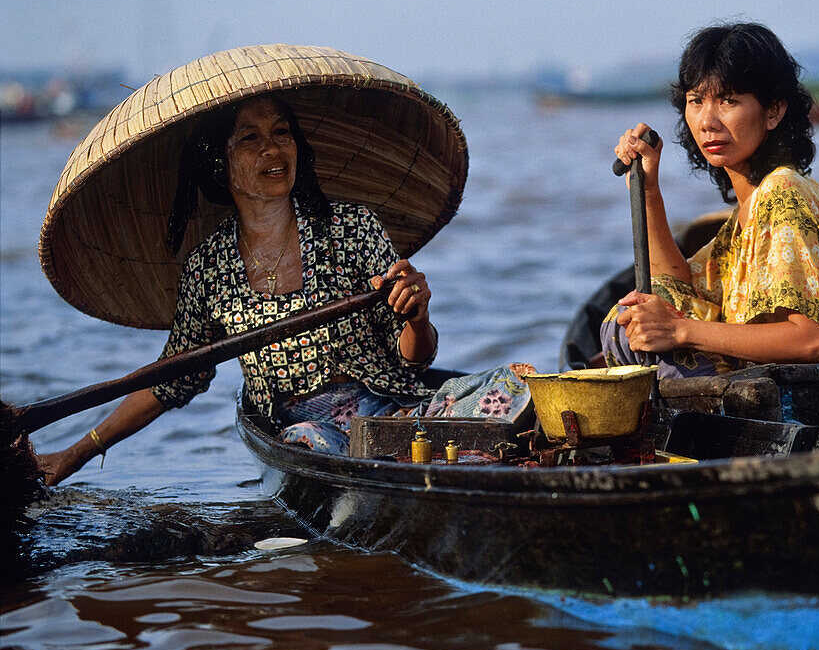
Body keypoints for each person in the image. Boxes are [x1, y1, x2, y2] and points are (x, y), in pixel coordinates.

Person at [39, 95, 531, 484]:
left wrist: (417, 317)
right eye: (250, 138)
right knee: (311, 448)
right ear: (220, 162)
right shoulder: (208, 268)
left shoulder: (352, 228)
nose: (272, 150)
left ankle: (423, 449)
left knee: (517, 384)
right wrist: (78, 452)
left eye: (281, 133)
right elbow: (173, 379)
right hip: (308, 433)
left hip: (396, 406)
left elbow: (414, 359)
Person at [601, 23, 819, 378]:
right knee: (632, 317)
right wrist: (647, 189)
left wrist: (678, 331)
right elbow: (676, 287)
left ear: (774, 111)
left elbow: (813, 343)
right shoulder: (746, 213)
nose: (707, 122)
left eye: (728, 100)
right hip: (774, 379)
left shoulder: (783, 193)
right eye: (696, 101)